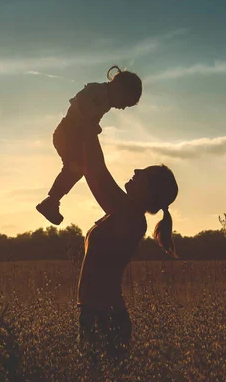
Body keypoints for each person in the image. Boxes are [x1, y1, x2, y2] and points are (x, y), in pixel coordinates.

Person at [77, 121, 179, 357]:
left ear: (149, 191)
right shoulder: (124, 212)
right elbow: (92, 169)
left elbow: (95, 171)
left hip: (106, 316)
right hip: (95, 313)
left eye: (143, 173)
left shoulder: (130, 216)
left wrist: (88, 126)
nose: (136, 171)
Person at [36, 65, 142, 225]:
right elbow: (80, 105)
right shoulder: (97, 91)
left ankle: (52, 201)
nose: (122, 108)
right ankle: (51, 202)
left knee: (77, 168)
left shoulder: (105, 99)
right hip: (68, 133)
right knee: (75, 168)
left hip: (75, 134)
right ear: (119, 90)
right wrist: (90, 124)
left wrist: (91, 126)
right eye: (125, 102)